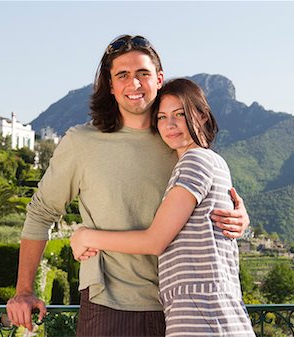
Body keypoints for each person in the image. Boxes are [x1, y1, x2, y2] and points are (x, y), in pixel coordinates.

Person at [6, 34, 250, 337]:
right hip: (110, 309)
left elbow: (211, 201)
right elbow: (41, 213)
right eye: (123, 75)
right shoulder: (82, 142)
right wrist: (24, 291)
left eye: (143, 74)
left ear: (159, 79)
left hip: (182, 310)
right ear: (111, 85)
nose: (134, 84)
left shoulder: (177, 139)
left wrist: (241, 222)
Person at [70, 78, 255, 337]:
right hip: (202, 312)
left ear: (202, 116)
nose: (170, 124)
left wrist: (86, 236)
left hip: (204, 315)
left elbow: (155, 240)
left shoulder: (195, 161)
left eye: (180, 114)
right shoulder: (210, 162)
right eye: (162, 117)